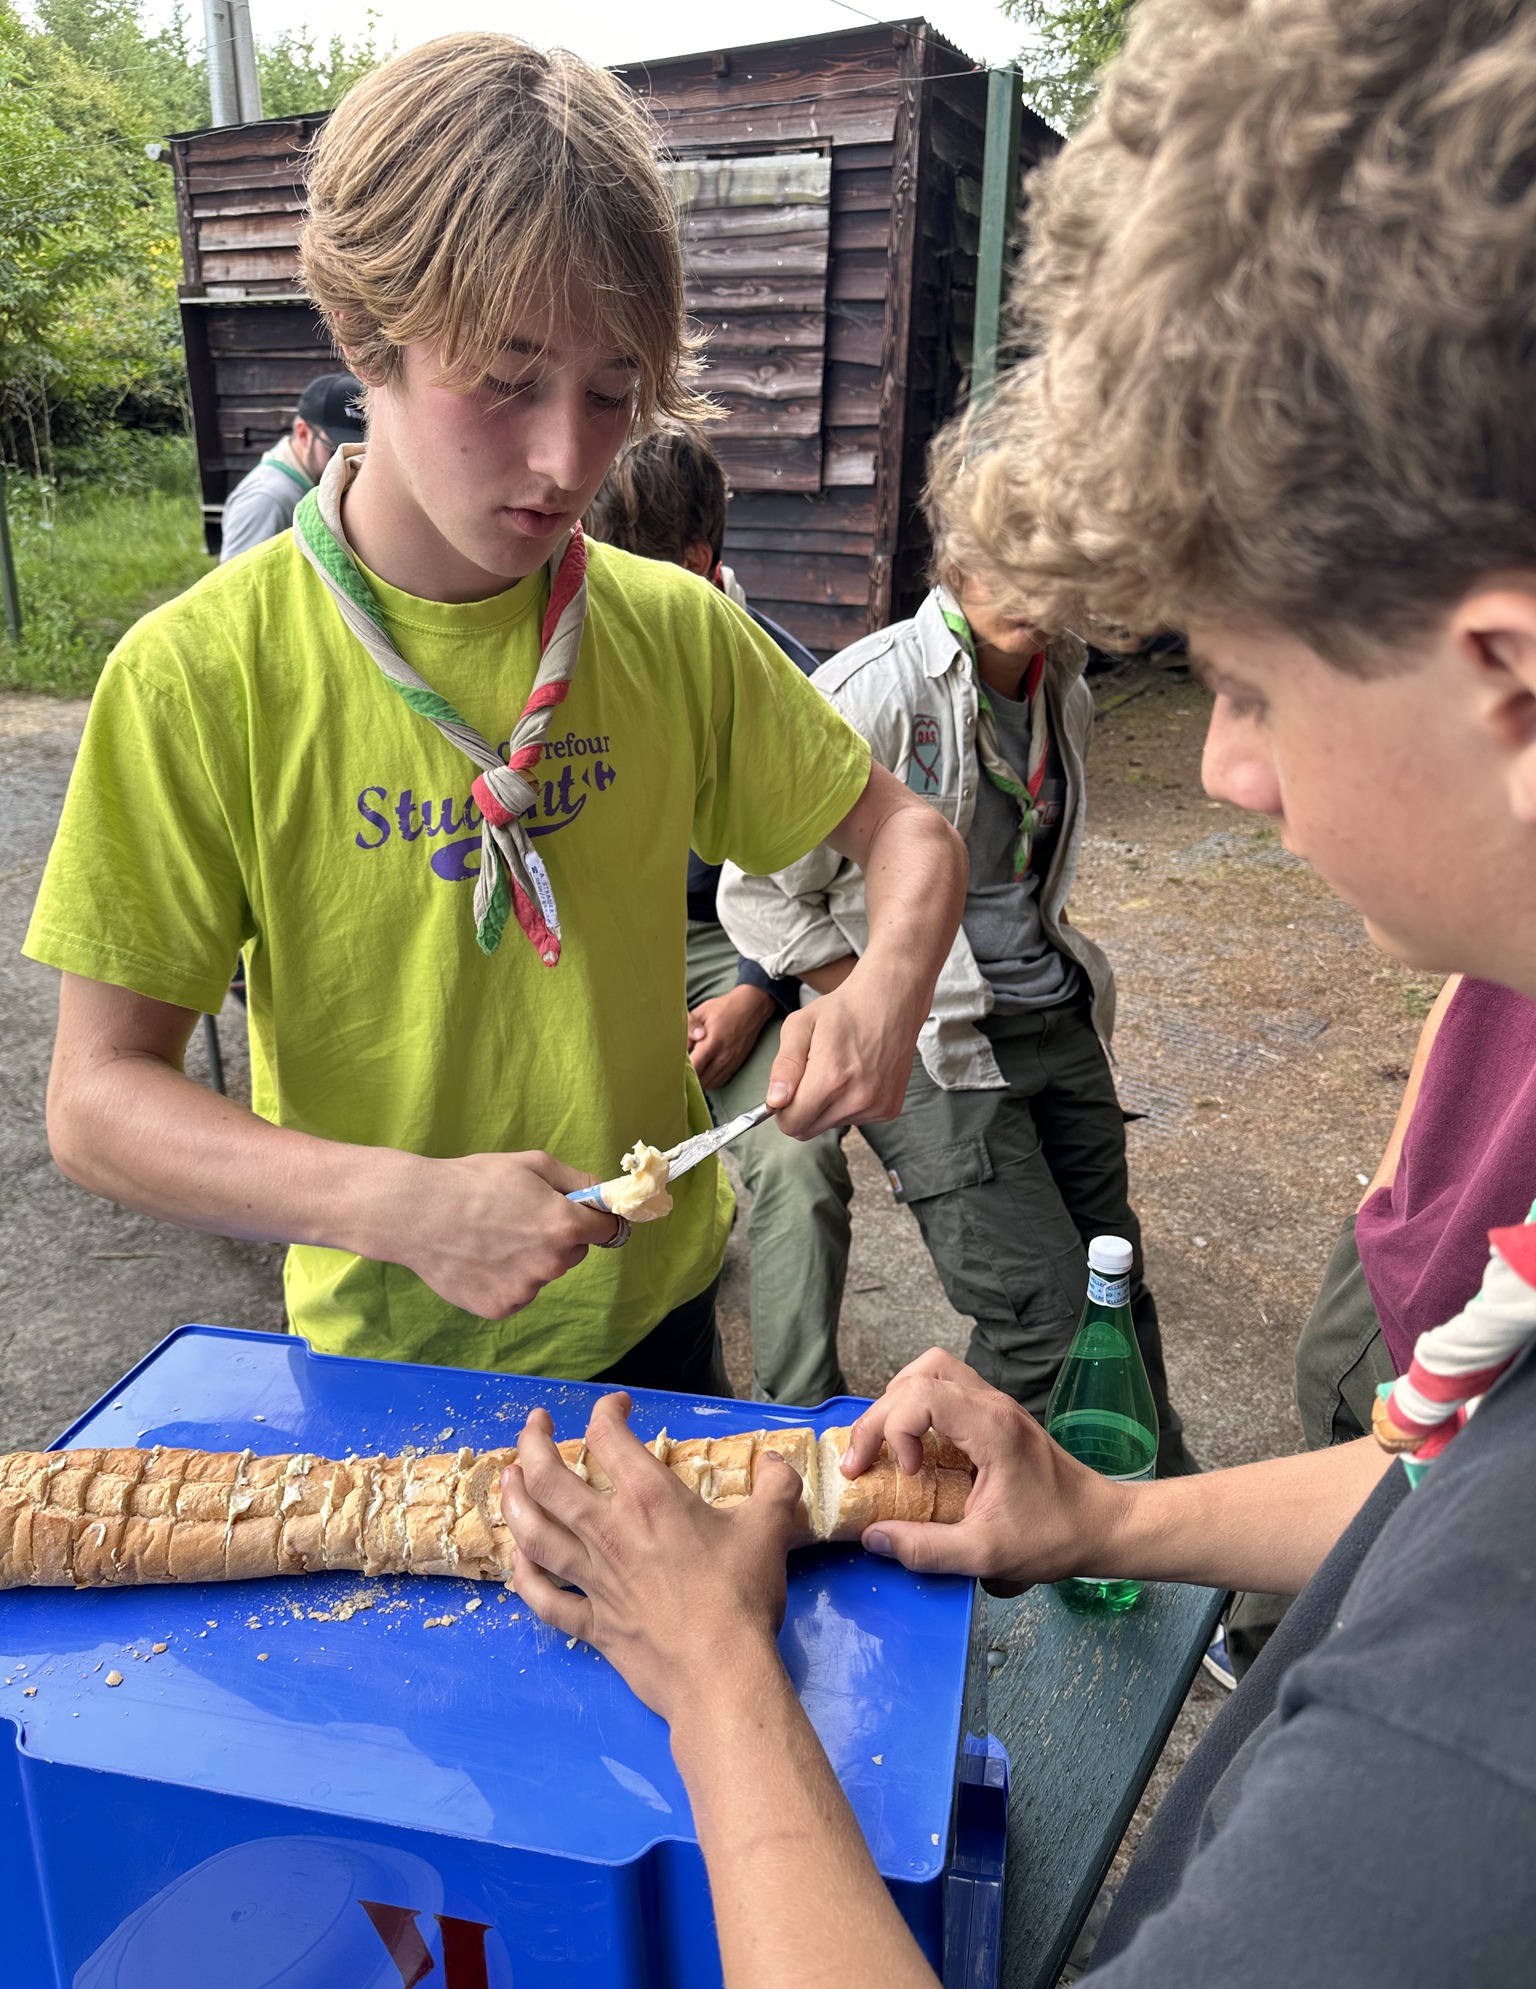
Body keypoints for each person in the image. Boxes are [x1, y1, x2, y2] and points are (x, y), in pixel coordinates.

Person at [498, 2, 1536, 1989]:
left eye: (1247, 687)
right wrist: (1113, 1513)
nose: (1225, 769)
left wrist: (718, 1677)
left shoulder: (1464, 1749)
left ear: (1506, 680)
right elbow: (1456, 1483)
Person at [23, 34, 967, 1402]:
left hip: (656, 1328)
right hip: (381, 1355)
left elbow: (910, 834)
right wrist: (394, 1203)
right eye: (507, 378)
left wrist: (887, 986)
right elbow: (98, 1101)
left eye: (612, 392)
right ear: (368, 334)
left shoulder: (673, 631)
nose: (568, 459)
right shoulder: (200, 676)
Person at [719, 418, 1192, 1471]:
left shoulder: (1065, 686)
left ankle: (1166, 1513)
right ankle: (913, 1497)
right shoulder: (875, 690)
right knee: (1043, 1324)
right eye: (999, 556)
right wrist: (875, 997)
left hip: (1054, 1016)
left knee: (1114, 1292)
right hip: (940, 1049)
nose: (1027, 585)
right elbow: (756, 893)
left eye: (1053, 557)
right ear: (955, 555)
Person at [587, 425, 854, 1406]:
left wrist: (757, 993)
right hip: (582, 936)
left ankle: (796, 1422)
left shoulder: (793, 681)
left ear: (699, 563)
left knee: (799, 1155)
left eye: (626, 570)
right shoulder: (558, 652)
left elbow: (818, 889)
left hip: (728, 947)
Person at [1219, 970, 1536, 1676]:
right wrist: (1389, 1196)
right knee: (1307, 1594)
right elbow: (1468, 994)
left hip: (1453, 1325)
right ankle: (1255, 1653)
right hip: (1414, 1287)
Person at [217, 371, 367, 562]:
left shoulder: (309, 484)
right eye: (335, 450)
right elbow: (240, 579)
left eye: (359, 453)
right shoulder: (265, 501)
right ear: (303, 433)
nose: (349, 462)